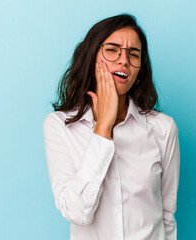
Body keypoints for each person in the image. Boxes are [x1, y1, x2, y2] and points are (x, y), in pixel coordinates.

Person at [43, 14, 180, 240]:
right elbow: (76, 212)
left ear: (138, 72)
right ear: (91, 58)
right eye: (112, 49)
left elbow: (167, 215)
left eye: (133, 54)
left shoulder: (163, 129)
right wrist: (103, 128)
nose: (123, 60)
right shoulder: (59, 126)